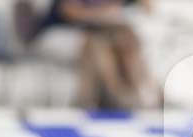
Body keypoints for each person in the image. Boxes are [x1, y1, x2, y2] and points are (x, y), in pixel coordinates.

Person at [27, 0, 159, 109]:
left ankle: (143, 92)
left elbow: (146, 7)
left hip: (97, 32)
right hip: (60, 31)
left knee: (126, 38)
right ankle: (102, 97)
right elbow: (70, 12)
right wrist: (101, 16)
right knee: (94, 46)